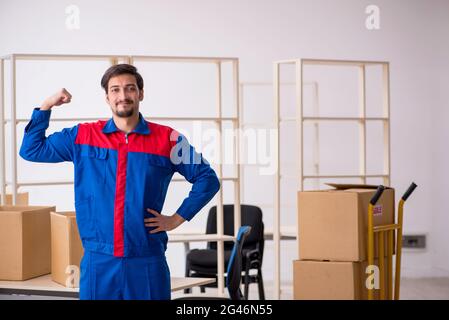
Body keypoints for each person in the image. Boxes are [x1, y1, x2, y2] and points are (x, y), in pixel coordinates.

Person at [19, 64, 220, 300]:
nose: (122, 96)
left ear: (141, 93)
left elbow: (207, 179)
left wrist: (176, 219)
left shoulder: (168, 139)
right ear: (107, 97)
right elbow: (31, 150)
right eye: (115, 90)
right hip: (99, 261)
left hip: (146, 259)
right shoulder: (83, 136)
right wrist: (47, 105)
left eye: (129, 88)